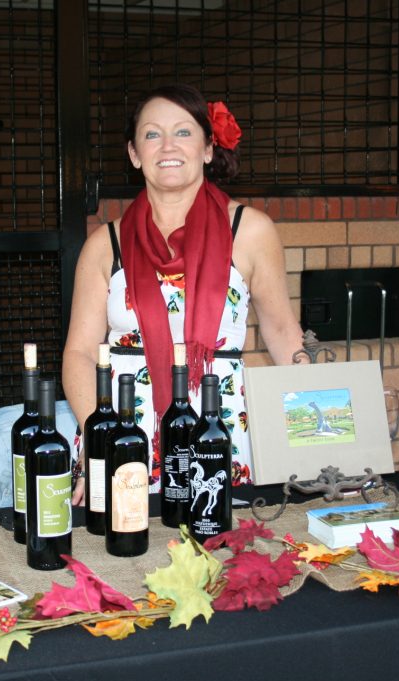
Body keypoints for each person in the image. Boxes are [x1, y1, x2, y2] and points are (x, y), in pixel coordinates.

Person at [63, 83, 304, 503]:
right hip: (125, 431)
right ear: (135, 154)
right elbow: (80, 352)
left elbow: (282, 330)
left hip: (220, 425)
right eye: (152, 134)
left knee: (226, 550)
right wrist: (96, 439)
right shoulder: (105, 244)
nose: (167, 145)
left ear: (209, 148)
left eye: (184, 132)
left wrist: (312, 429)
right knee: (126, 557)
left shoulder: (249, 231)